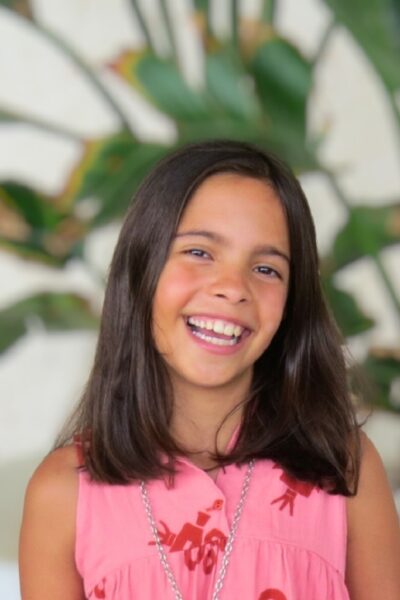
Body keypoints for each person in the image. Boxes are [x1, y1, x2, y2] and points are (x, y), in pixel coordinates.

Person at [19, 140, 400, 599]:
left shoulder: (343, 467)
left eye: (266, 269)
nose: (232, 288)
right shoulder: (64, 493)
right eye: (199, 252)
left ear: (291, 304)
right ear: (141, 269)